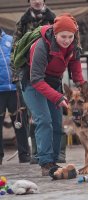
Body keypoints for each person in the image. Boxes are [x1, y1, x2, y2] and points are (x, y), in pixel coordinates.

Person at [21, 13, 85, 176]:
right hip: (32, 83)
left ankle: (55, 160)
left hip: (53, 83)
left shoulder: (74, 46)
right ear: (55, 33)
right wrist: (58, 97)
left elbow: (76, 71)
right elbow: (36, 79)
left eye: (70, 36)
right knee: (44, 120)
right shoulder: (41, 46)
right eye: (63, 36)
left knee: (57, 123)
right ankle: (46, 162)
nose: (67, 40)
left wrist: (84, 88)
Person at [11, 0, 67, 164]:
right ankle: (38, 153)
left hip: (52, 75)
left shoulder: (53, 18)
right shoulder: (23, 20)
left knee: (56, 118)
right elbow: (16, 49)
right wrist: (16, 75)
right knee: (38, 117)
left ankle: (59, 153)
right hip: (30, 72)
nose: (36, 1)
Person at [0, 28, 30, 164]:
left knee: (21, 123)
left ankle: (24, 156)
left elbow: (22, 60)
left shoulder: (11, 40)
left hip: (14, 88)